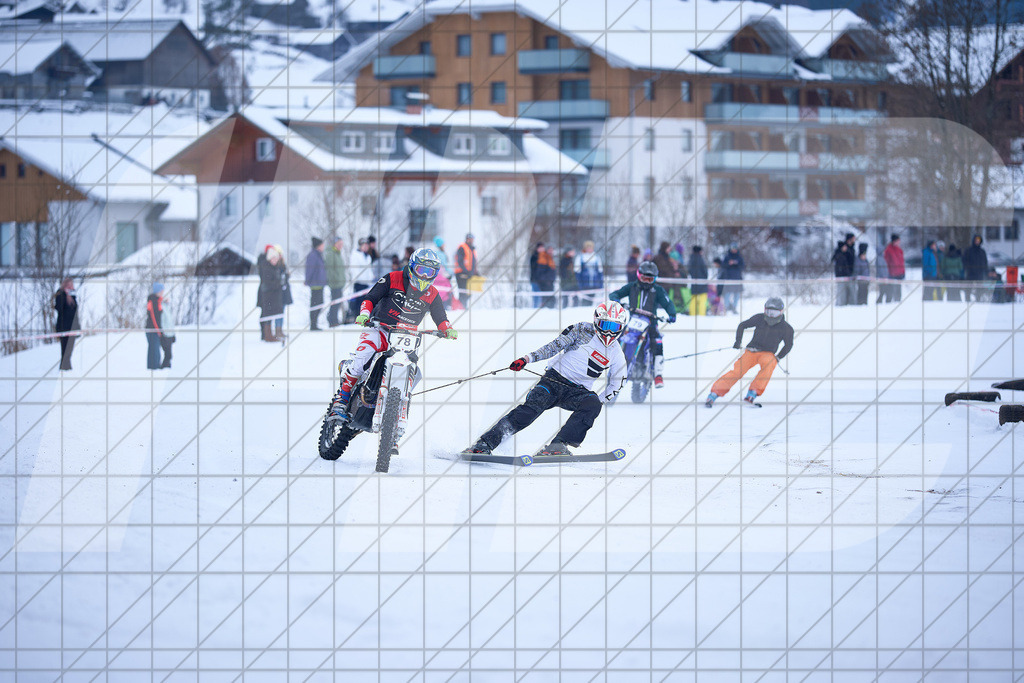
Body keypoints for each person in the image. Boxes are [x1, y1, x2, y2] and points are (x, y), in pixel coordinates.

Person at [465, 302, 628, 456]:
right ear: (597, 322)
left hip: (577, 392)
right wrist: (527, 359)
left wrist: (599, 400)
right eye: (606, 325)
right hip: (552, 382)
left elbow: (618, 382)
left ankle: (558, 446)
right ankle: (483, 445)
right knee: (528, 412)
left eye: (615, 327)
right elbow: (553, 347)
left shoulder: (616, 353)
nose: (609, 332)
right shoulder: (580, 330)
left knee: (592, 404)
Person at [329, 248, 458, 422]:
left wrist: (447, 328)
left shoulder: (432, 293)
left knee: (415, 372)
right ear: (412, 267)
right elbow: (371, 297)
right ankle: (341, 400)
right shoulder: (393, 278)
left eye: (430, 272)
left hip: (406, 337)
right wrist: (365, 314)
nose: (425, 276)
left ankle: (395, 407)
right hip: (378, 327)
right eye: (421, 270)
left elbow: (440, 317)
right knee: (363, 357)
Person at [705, 297, 794, 407]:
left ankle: (753, 392)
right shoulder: (760, 318)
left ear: (781, 312)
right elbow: (742, 325)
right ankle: (715, 393)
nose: (770, 315)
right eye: (768, 311)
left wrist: (779, 357)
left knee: (769, 365)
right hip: (751, 351)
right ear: (765, 310)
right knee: (737, 371)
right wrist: (738, 341)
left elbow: (789, 344)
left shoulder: (786, 328)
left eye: (774, 312)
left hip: (768, 354)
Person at [609, 260, 677, 388]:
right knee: (616, 336)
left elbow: (667, 303)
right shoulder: (632, 287)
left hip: (651, 323)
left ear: (654, 279)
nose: (646, 282)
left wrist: (672, 314)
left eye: (650, 280)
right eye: (644, 278)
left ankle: (658, 374)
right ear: (639, 276)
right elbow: (615, 293)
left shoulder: (658, 290)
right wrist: (616, 299)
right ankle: (611, 362)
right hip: (633, 321)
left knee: (657, 343)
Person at [256, 246, 284, 342]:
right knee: (266, 314)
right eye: (274, 258)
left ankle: (268, 334)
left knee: (270, 314)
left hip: (272, 295)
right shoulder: (266, 267)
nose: (276, 260)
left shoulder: (273, 267)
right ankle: (266, 335)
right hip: (266, 295)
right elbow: (268, 282)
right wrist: (279, 284)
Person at [53, 277, 79, 371]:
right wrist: (65, 295)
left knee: (70, 349)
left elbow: (75, 313)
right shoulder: (60, 294)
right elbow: (58, 308)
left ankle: (67, 367)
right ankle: (64, 368)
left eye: (72, 284)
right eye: (69, 284)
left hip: (72, 327)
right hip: (63, 327)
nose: (71, 286)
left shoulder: (73, 295)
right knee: (64, 349)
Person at [305, 237, 328, 331]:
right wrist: (307, 280)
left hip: (320, 284)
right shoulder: (313, 255)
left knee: (320, 304)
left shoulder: (319, 255)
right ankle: (313, 325)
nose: (323, 247)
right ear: (318, 246)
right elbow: (309, 270)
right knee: (315, 304)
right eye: (322, 245)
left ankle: (315, 323)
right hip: (315, 284)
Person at [349, 238, 373, 321]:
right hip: (359, 283)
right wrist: (357, 279)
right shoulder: (355, 255)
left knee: (365, 301)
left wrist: (371, 279)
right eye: (364, 245)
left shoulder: (368, 256)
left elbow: (369, 270)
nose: (366, 247)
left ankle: (365, 317)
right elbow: (354, 270)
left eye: (367, 245)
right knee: (358, 302)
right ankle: (357, 317)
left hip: (367, 283)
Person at [325, 236, 347, 327]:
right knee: (334, 302)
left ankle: (334, 319)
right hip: (335, 284)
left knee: (337, 303)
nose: (340, 245)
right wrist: (335, 280)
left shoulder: (338, 253)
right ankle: (332, 320)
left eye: (342, 244)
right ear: (335, 244)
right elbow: (329, 270)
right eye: (339, 244)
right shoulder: (331, 254)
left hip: (340, 283)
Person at [575, 240, 604, 305]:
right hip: (584, 284)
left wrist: (600, 284)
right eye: (588, 247)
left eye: (590, 247)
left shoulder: (596, 257)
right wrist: (579, 283)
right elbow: (577, 272)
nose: (589, 249)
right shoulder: (580, 257)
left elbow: (600, 271)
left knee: (593, 301)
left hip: (594, 284)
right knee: (585, 300)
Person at [146, 283, 167, 370]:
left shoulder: (158, 301)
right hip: (152, 330)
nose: (163, 292)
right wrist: (158, 330)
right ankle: (154, 367)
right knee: (154, 350)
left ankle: (155, 366)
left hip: (155, 330)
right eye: (161, 290)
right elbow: (154, 317)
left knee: (155, 349)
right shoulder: (153, 301)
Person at [720, 242, 745, 314]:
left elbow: (743, 266)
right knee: (727, 293)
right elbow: (723, 266)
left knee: (737, 294)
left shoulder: (740, 257)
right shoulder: (727, 257)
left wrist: (736, 263)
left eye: (735, 248)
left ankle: (734, 308)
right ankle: (726, 308)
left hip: (737, 278)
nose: (734, 250)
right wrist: (729, 263)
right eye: (732, 248)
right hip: (729, 278)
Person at [454, 233, 478, 306]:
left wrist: (475, 272)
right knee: (463, 291)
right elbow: (460, 261)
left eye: (472, 239)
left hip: (468, 273)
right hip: (461, 273)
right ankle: (462, 306)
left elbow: (473, 262)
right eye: (469, 239)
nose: (471, 240)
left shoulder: (472, 249)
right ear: (467, 239)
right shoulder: (462, 247)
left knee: (468, 292)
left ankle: (461, 305)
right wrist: (465, 271)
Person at [964, 235, 989, 301]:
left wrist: (986, 272)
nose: (977, 242)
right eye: (976, 240)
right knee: (968, 288)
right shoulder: (969, 251)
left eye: (978, 241)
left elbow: (985, 263)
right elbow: (965, 261)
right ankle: (967, 300)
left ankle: (978, 300)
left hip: (979, 273)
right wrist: (968, 268)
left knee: (979, 288)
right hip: (970, 273)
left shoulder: (982, 252)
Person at [881, 234, 905, 303]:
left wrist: (903, 272)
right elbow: (887, 262)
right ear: (894, 241)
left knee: (898, 291)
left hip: (899, 274)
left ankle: (898, 302)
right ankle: (889, 304)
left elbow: (901, 262)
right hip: (892, 274)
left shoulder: (900, 250)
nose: (899, 242)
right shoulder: (888, 250)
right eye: (898, 240)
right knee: (891, 291)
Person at [831, 238, 855, 306]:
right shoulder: (838, 255)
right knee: (841, 293)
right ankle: (840, 305)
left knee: (847, 293)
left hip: (847, 276)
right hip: (840, 277)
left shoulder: (846, 254)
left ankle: (846, 305)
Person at [688, 246, 709, 316]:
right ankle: (702, 314)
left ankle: (692, 314)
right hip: (702, 282)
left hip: (694, 282)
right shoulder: (700, 259)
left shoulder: (691, 259)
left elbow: (689, 270)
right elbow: (705, 271)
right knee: (702, 300)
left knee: (693, 300)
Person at [158, 290, 176, 369]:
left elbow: (171, 322)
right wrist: (162, 333)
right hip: (165, 334)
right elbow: (162, 321)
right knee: (168, 354)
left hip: (170, 334)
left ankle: (167, 367)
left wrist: (173, 334)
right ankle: (163, 368)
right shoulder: (161, 307)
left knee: (169, 354)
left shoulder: (167, 307)